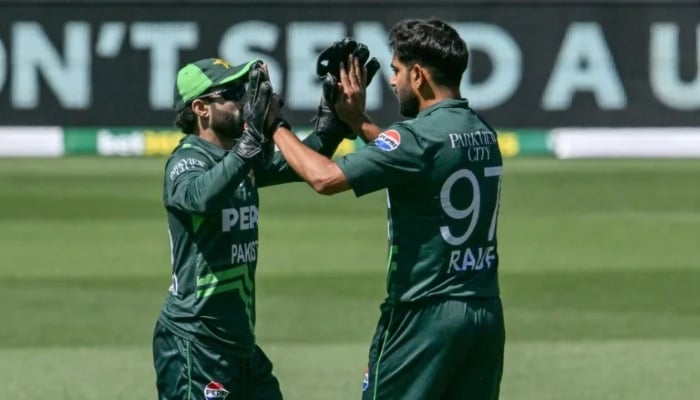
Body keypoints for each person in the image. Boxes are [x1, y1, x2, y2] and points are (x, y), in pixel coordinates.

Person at [267, 19, 506, 400]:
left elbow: (324, 179)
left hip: (422, 316)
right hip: (483, 314)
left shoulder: (415, 137)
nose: (392, 82)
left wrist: (274, 124)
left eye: (396, 71)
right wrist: (358, 122)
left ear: (419, 75)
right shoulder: (482, 131)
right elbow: (414, 160)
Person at [151, 56, 358, 400]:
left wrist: (333, 121)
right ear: (201, 108)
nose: (245, 100)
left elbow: (300, 164)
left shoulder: (240, 161)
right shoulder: (187, 160)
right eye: (232, 92)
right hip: (195, 343)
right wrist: (250, 143)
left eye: (245, 89)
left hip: (238, 343)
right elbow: (199, 197)